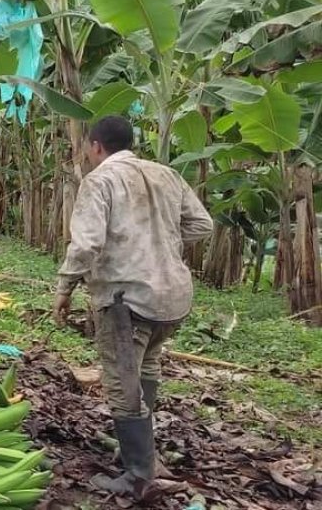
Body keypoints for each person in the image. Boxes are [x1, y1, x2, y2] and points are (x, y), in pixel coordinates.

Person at [54, 116, 213, 498]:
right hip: (171, 299)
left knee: (123, 386)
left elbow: (87, 244)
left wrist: (64, 287)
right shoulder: (166, 174)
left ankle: (138, 473)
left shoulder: (100, 181)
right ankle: (139, 457)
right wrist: (163, 246)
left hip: (128, 300)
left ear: (95, 146)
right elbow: (202, 224)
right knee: (147, 367)